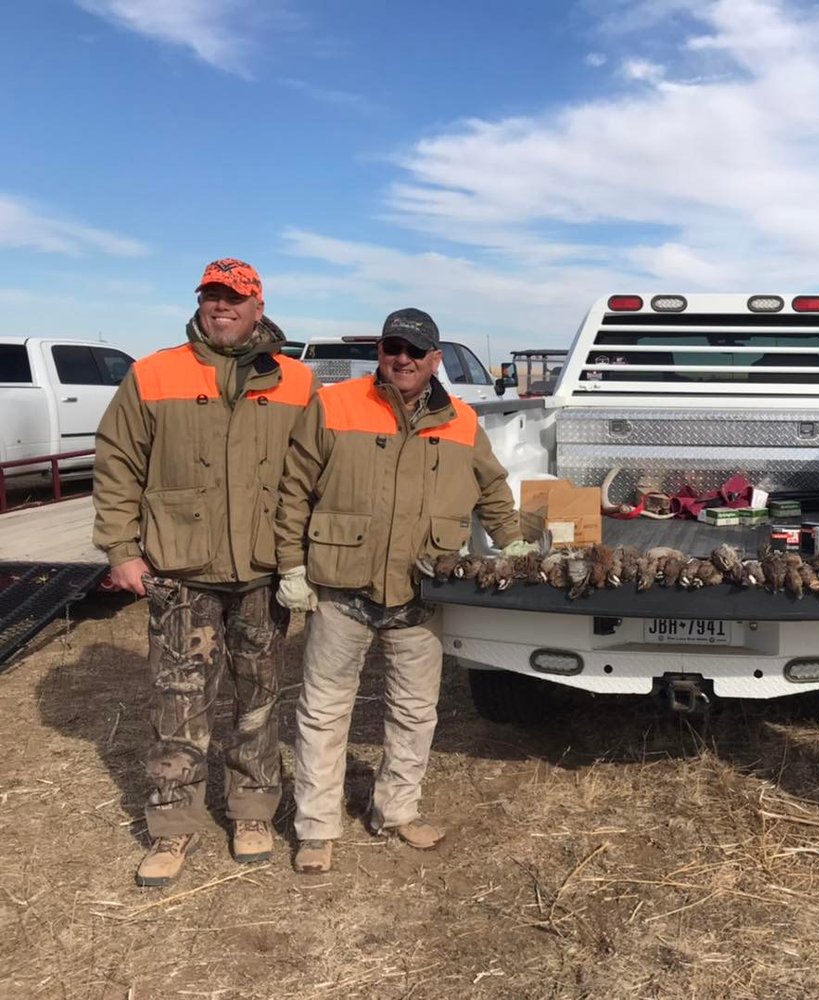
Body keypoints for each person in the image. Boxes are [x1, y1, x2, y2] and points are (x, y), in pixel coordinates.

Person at [274, 307, 534, 875]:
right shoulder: (335, 404)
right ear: (380, 353)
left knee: (415, 711)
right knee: (323, 708)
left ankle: (396, 810)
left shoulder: (463, 421)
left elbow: (492, 490)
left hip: (422, 588)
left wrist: (513, 546)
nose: (403, 359)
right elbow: (294, 486)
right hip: (342, 585)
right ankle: (316, 827)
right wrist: (290, 564)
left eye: (416, 351)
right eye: (394, 347)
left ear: (435, 359)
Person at [93, 258, 316, 886]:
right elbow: (117, 464)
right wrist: (121, 548)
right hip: (181, 568)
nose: (222, 307)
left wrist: (307, 558)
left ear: (258, 304)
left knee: (258, 697)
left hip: (262, 570)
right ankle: (172, 824)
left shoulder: (296, 381)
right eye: (212, 296)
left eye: (234, 298)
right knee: (180, 701)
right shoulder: (154, 372)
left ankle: (251, 811)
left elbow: (313, 473)